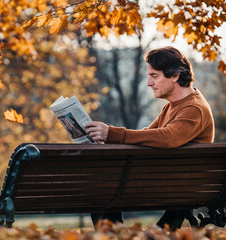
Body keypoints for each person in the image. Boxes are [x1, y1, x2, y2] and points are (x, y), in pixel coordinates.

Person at [85, 46, 215, 228]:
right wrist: (108, 136)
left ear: (175, 76)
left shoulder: (194, 108)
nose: (149, 83)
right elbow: (148, 135)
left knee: (103, 186)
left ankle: (115, 234)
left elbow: (168, 137)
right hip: (166, 184)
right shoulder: (172, 107)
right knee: (104, 184)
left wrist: (113, 134)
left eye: (154, 76)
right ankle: (119, 233)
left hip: (177, 188)